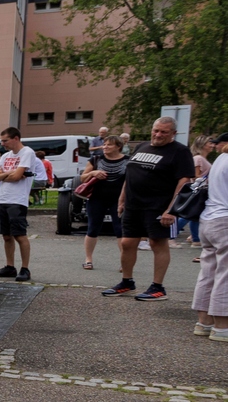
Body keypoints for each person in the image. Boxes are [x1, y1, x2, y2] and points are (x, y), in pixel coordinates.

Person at [104, 116, 196, 300]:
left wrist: (171, 210)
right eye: (156, 130)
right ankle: (127, 282)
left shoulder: (180, 151)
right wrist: (122, 199)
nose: (158, 134)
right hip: (133, 205)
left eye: (164, 132)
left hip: (158, 207)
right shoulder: (142, 146)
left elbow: (184, 182)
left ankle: (158, 287)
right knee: (127, 243)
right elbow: (130, 174)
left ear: (173, 133)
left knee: (157, 243)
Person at [0, 128, 35, 282]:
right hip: (3, 199)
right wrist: (9, 173)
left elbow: (17, 176)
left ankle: (25, 268)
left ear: (16, 138)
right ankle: (10, 266)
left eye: (5, 140)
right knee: (6, 236)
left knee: (19, 235)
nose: (2, 144)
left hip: (17, 200)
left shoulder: (27, 153)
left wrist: (5, 175)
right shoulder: (6, 156)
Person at [190, 132, 228, 340]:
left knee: (208, 272)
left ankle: (203, 322)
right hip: (224, 219)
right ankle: (222, 326)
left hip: (208, 218)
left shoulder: (220, 159)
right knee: (225, 274)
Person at [78, 136, 127, 270]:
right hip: (97, 198)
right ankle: (88, 259)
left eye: (109, 145)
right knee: (93, 228)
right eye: (104, 144)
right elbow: (82, 178)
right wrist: (93, 173)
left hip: (119, 200)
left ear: (118, 147)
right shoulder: (96, 159)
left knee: (120, 230)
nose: (105, 147)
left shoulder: (128, 161)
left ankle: (124, 261)